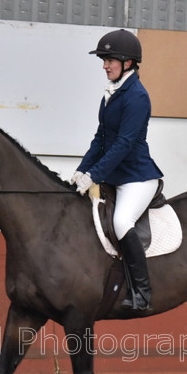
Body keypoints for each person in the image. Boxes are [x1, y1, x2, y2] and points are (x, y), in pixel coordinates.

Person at [70, 29, 164, 311]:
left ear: (128, 62)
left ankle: (143, 294)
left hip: (137, 177)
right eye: (104, 59)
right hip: (113, 175)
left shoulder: (136, 96)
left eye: (109, 59)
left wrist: (94, 175)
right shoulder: (111, 93)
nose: (104, 65)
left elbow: (124, 144)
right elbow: (100, 139)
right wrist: (81, 170)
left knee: (122, 222)